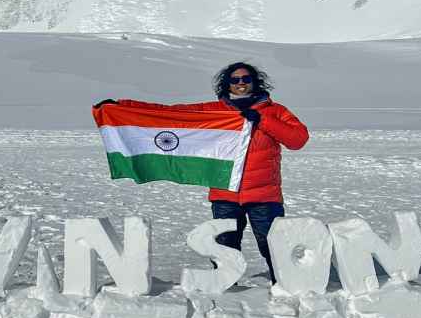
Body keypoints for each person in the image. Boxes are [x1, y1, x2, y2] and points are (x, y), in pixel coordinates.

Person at [96, 62, 309, 283]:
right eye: (235, 80)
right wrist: (122, 106)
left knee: (273, 246)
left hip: (264, 196)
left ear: (255, 81)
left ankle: (285, 288)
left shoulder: (275, 111)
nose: (241, 83)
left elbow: (298, 139)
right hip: (225, 194)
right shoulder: (214, 112)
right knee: (224, 248)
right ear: (227, 84)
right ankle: (226, 291)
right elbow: (170, 113)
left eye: (246, 79)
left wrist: (263, 120)